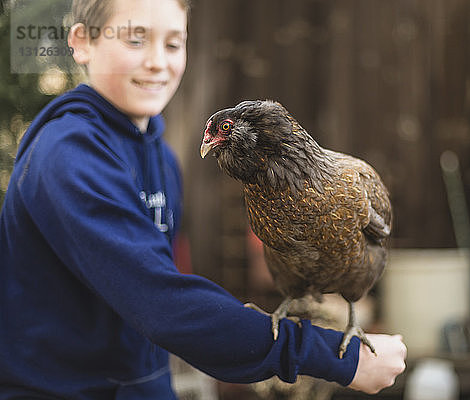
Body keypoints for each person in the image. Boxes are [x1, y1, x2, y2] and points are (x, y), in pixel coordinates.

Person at [0, 0, 407, 398]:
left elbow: (163, 283)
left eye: (173, 43)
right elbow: (163, 304)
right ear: (82, 41)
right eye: (136, 39)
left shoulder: (160, 156)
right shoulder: (66, 157)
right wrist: (334, 356)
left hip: (144, 386)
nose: (158, 61)